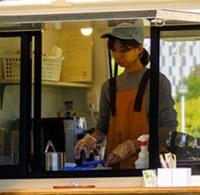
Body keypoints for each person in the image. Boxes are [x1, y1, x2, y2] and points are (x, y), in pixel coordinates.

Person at [72, 23, 178, 168]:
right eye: (114, 49)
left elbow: (169, 128)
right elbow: (103, 128)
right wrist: (91, 139)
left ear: (139, 48)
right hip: (115, 167)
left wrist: (135, 144)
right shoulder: (108, 87)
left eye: (124, 49)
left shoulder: (157, 82)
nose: (117, 55)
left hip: (148, 168)